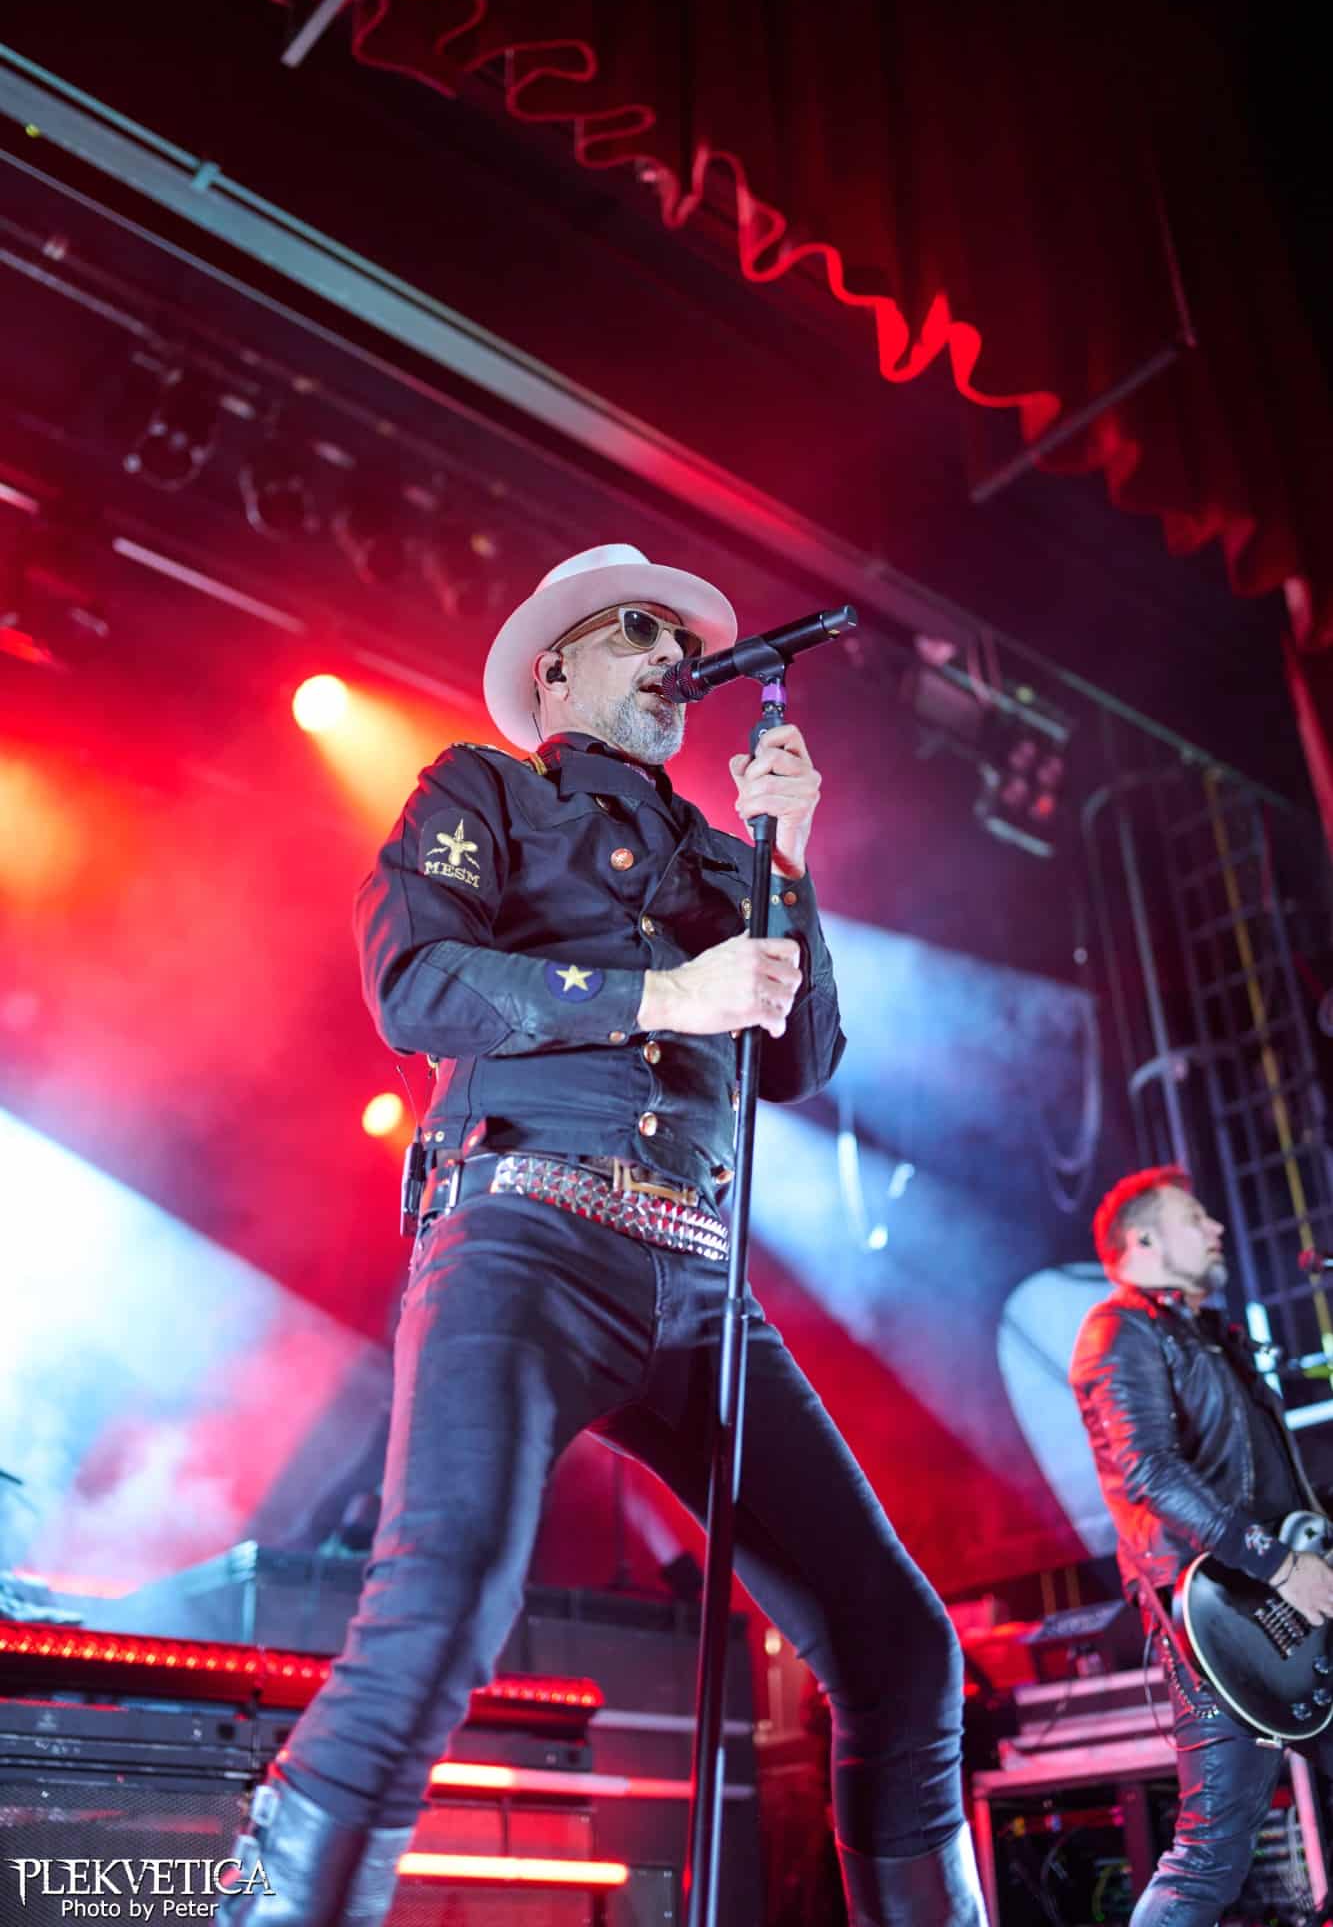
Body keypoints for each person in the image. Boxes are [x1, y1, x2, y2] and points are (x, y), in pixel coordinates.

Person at [217, 544, 985, 1926]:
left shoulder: (722, 858)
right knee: (444, 1601)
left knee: (902, 1645)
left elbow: (799, 1057)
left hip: (694, 1278)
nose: (672, 655)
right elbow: (416, 982)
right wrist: (664, 996)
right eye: (638, 629)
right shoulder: (483, 789)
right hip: (524, 1230)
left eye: (681, 637)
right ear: (556, 665)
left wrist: (788, 859)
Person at [1070, 1164, 1333, 1925]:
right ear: (1143, 1241)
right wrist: (1278, 1565)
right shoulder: (1117, 1331)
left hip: (1287, 1606)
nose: (1216, 1227)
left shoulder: (1207, 1334)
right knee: (1208, 1859)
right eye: (1194, 1217)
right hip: (1223, 1623)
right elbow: (1150, 1472)